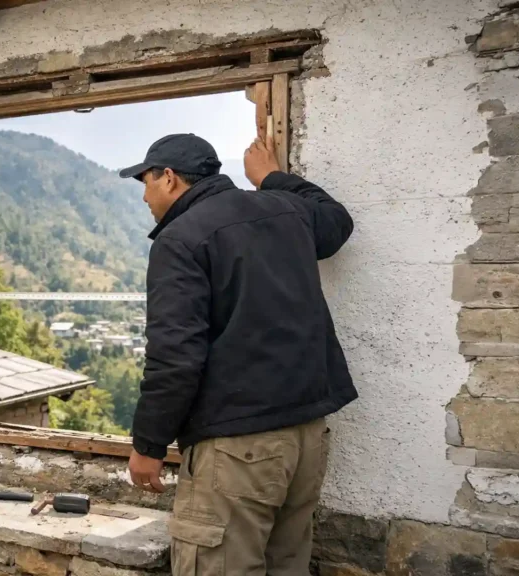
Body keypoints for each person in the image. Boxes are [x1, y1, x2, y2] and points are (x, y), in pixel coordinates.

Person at [119, 132, 357, 575]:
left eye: (145, 182)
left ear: (169, 178)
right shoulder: (288, 210)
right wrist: (273, 178)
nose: (145, 196)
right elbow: (337, 220)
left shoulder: (180, 239)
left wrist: (148, 445)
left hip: (237, 449)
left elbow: (174, 357)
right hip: (306, 438)